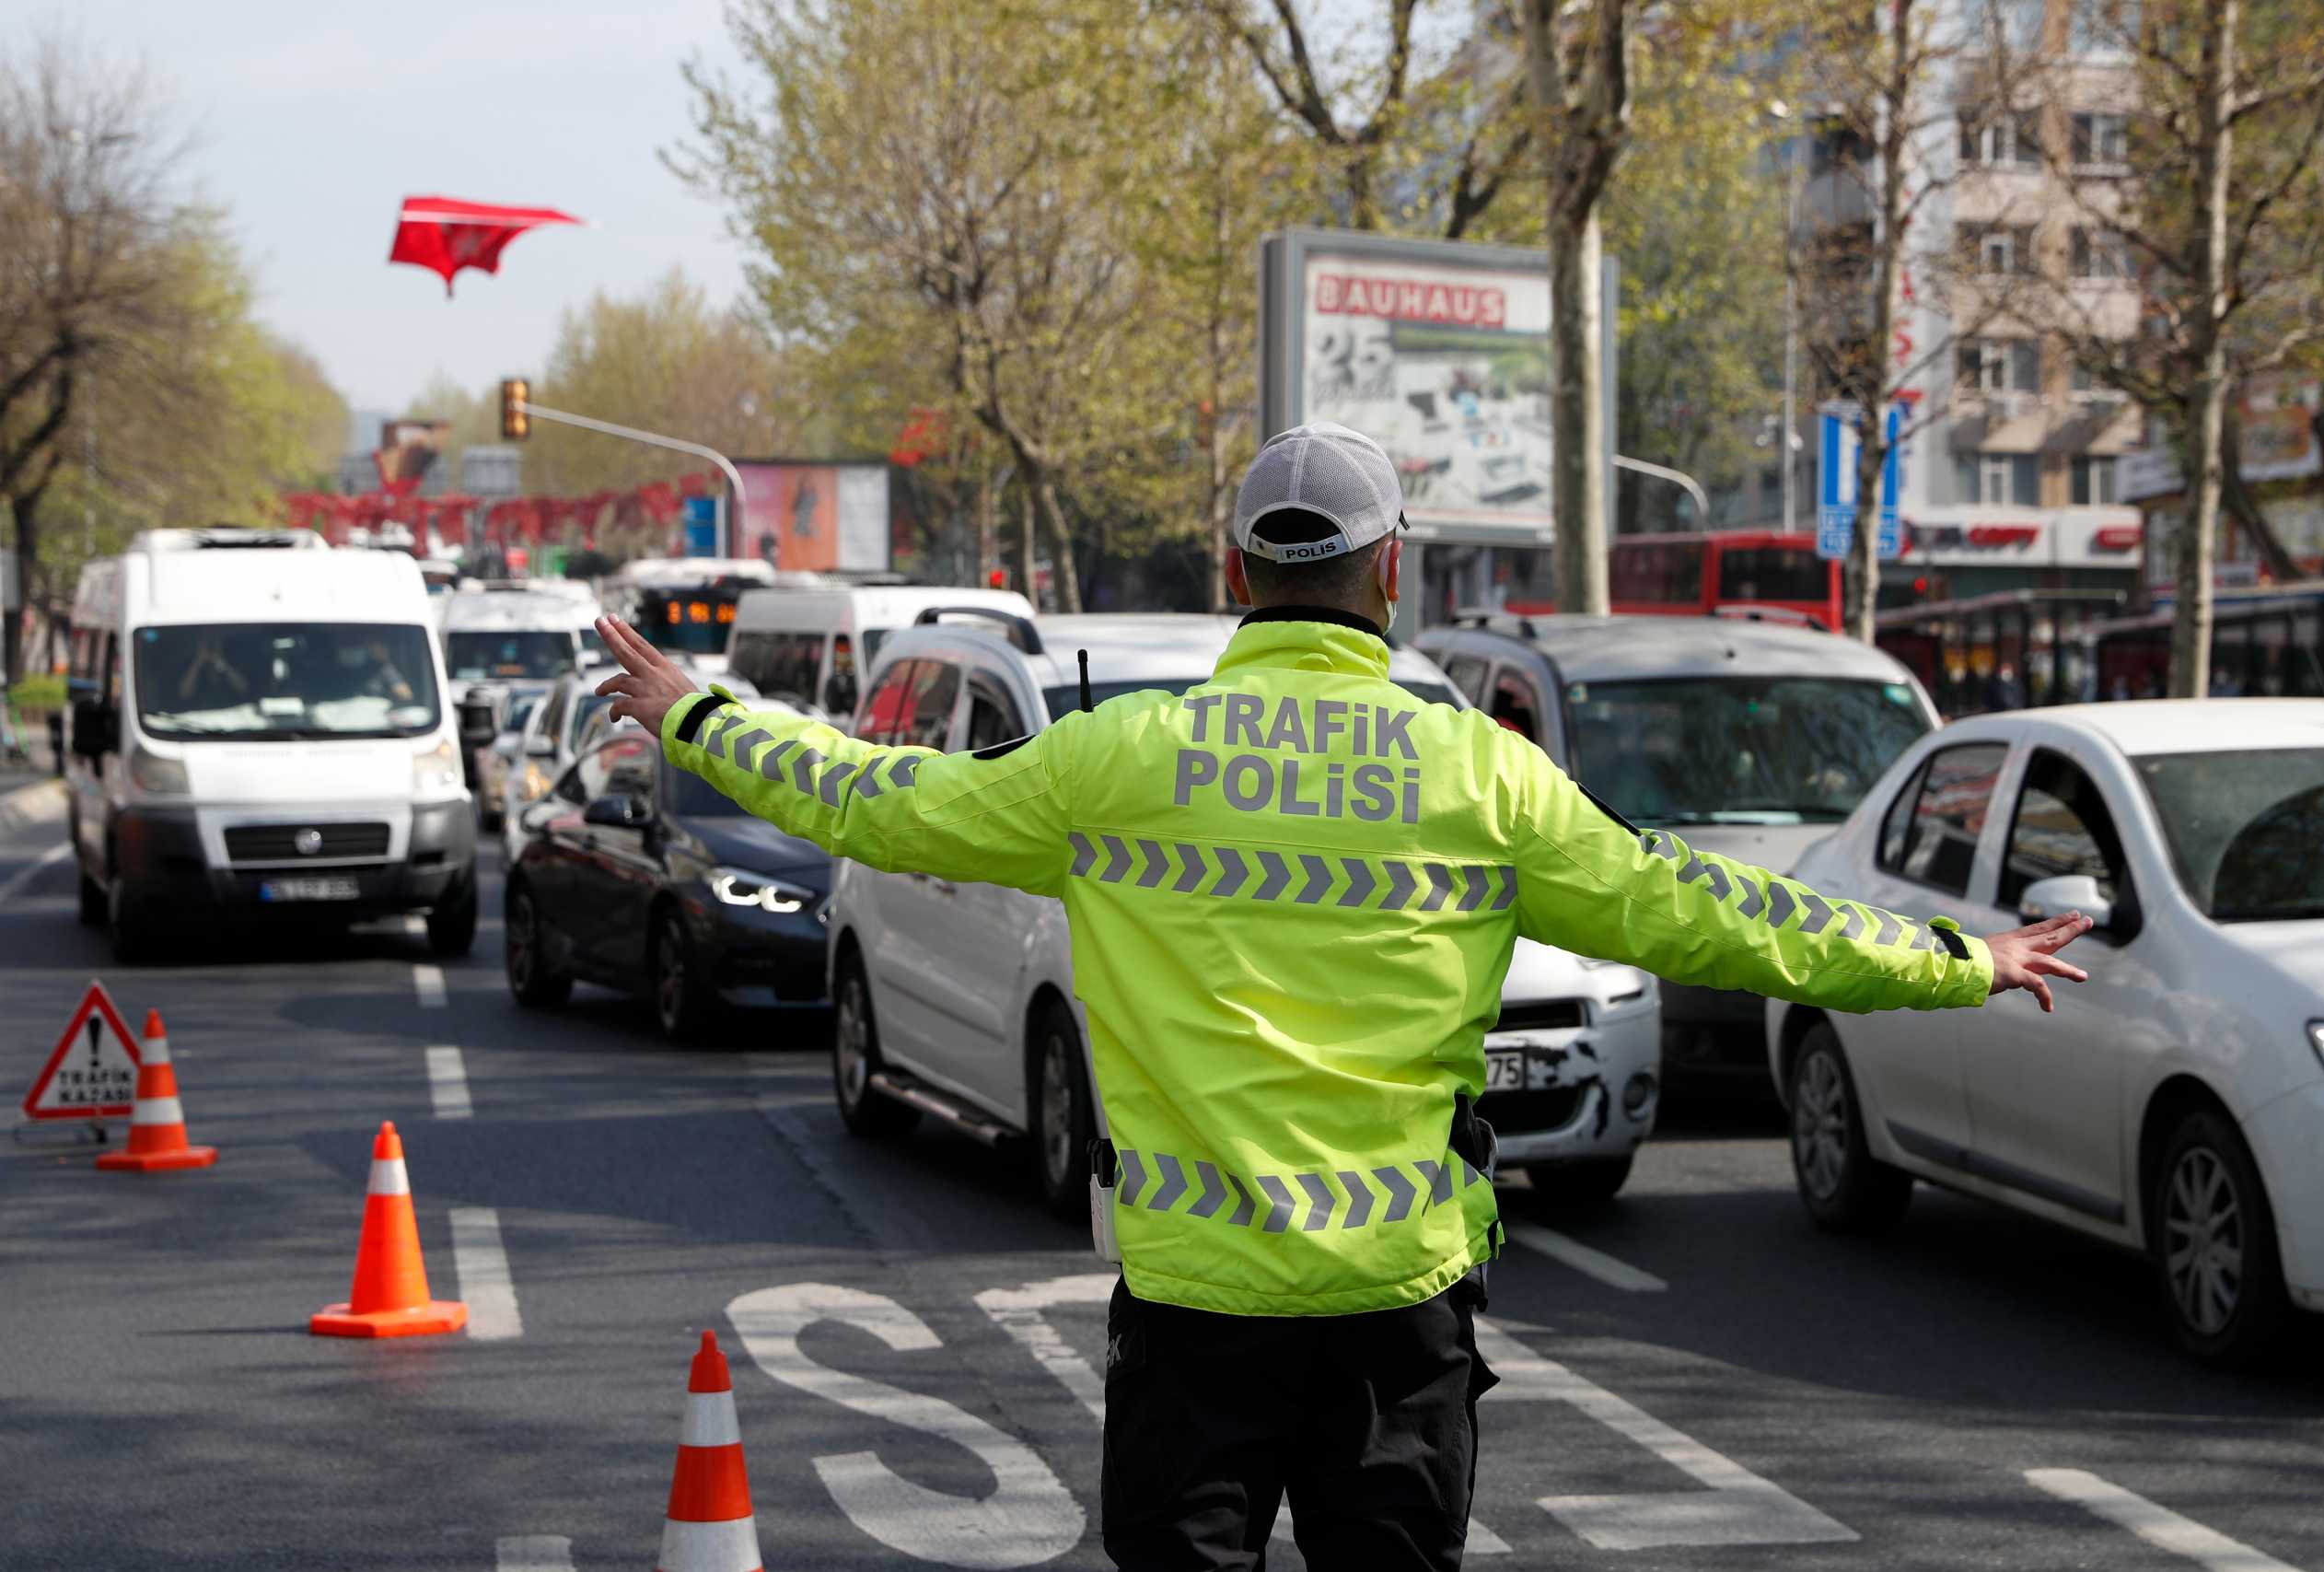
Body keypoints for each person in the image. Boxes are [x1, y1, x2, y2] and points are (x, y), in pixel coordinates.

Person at [593, 422, 2091, 1572]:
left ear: (1236, 575)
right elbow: (1717, 916)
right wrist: (1957, 960)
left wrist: (703, 712)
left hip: (1195, 1309)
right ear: (1393, 572)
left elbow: (879, 801)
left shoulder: (1123, 762)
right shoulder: (1477, 774)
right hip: (1399, 1313)